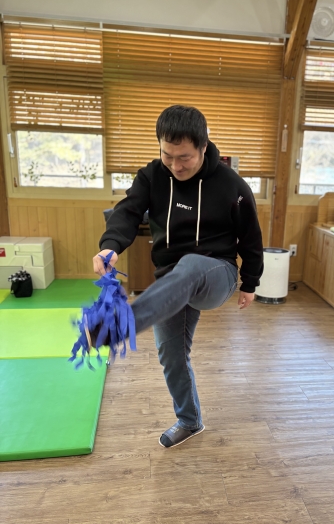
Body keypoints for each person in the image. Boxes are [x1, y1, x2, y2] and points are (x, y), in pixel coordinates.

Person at [93, 105, 263, 448]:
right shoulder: (152, 176)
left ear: (203, 147)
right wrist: (110, 247)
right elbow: (128, 211)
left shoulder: (232, 185)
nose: (176, 165)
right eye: (167, 156)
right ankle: (189, 420)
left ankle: (120, 324)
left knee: (191, 265)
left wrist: (250, 282)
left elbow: (251, 237)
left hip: (216, 272)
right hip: (172, 280)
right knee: (171, 354)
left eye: (184, 157)